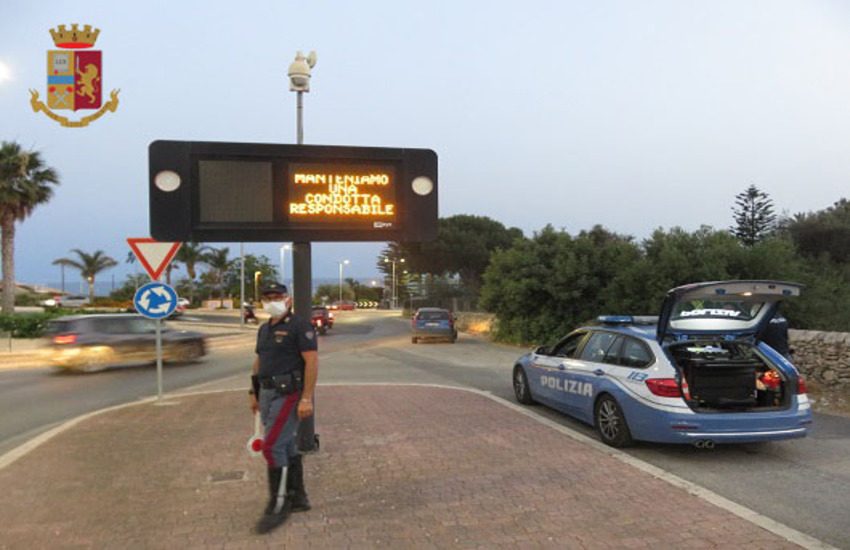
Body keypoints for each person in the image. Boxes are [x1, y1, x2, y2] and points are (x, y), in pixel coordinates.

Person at [249, 282, 318, 534]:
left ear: (287, 299)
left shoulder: (299, 326)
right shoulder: (264, 329)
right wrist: (253, 392)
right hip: (267, 393)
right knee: (286, 444)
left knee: (272, 446)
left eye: (277, 296)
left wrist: (307, 398)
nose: (271, 301)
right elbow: (259, 361)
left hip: (288, 394)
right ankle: (298, 498)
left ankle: (278, 505)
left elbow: (311, 362)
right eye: (267, 297)